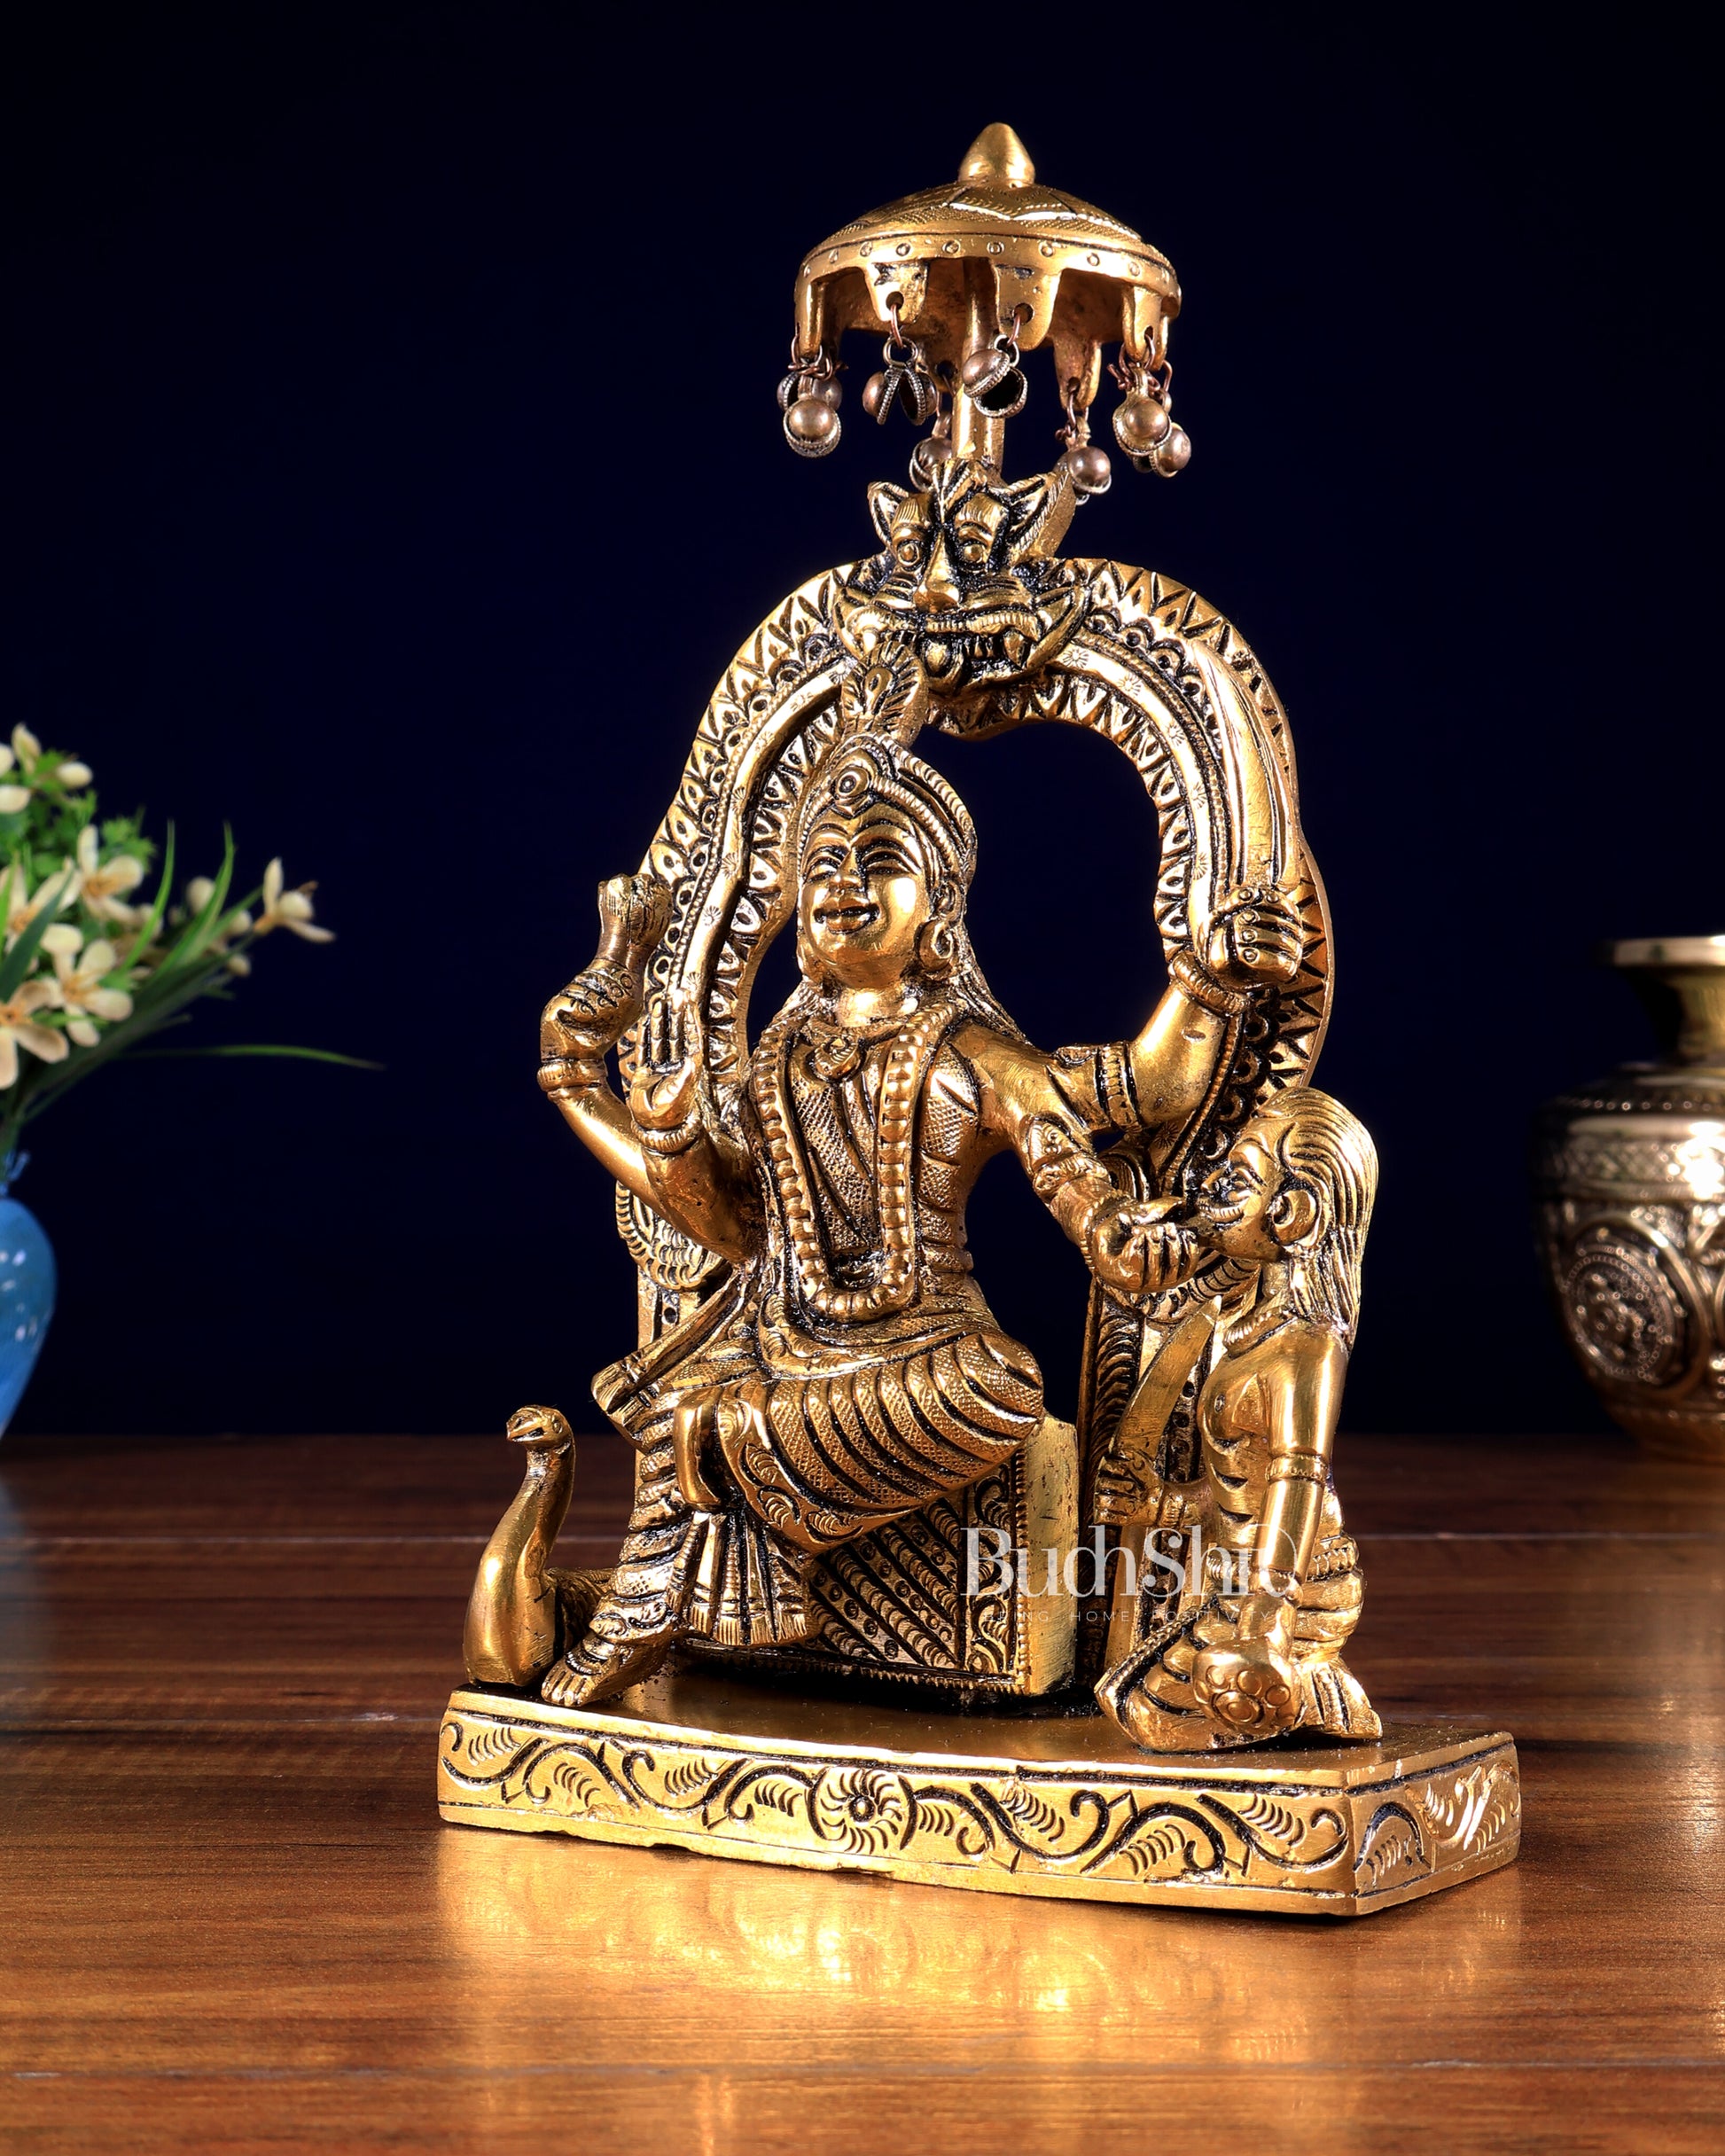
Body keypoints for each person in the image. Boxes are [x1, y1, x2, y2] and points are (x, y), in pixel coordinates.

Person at [537, 730, 1301, 1706]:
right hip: (784, 1342)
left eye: (880, 860)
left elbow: (1147, 1087)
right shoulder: (777, 1061)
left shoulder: (973, 1054)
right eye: (822, 862)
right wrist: (669, 1132)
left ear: (939, 909)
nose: (843, 882)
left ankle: (669, 1569)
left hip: (928, 1353)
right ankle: (652, 1605)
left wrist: (1211, 981)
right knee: (696, 1398)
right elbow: (738, 1226)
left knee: (1002, 1388)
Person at [1097, 1088, 1382, 1748]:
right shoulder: (1248, 1332)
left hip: (1292, 1589)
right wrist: (1158, 1504)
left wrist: (1269, 1613)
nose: (1213, 1187)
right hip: (1237, 1579)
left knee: (1148, 1713)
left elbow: (1298, 1481)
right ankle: (1305, 1697)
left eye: (1240, 1177)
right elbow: (1234, 1492)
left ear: (1290, 1213)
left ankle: (1305, 1690)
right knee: (1125, 1695)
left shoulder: (1308, 1349)